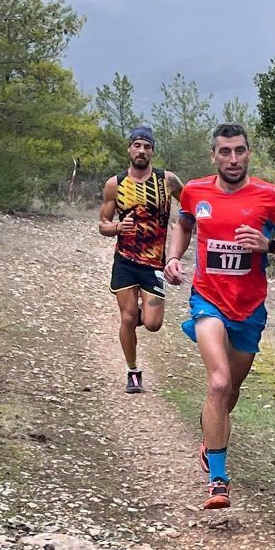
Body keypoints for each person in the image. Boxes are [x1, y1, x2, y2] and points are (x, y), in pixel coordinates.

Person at [164, 122, 275, 509]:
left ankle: (210, 439)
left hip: (249, 308)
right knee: (219, 382)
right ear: (213, 156)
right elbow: (184, 225)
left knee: (231, 391)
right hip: (208, 299)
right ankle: (218, 481)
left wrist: (269, 244)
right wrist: (173, 257)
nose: (233, 158)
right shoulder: (195, 191)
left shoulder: (269, 195)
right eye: (225, 152)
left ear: (248, 153)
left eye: (239, 150)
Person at [99, 126, 183, 393]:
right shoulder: (115, 184)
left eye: (147, 147)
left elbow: (190, 204)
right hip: (125, 261)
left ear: (153, 152)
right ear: (129, 149)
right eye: (137, 146)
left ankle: (138, 312)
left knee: (153, 323)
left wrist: (185, 226)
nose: (142, 151)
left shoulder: (167, 180)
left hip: (155, 264)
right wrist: (117, 228)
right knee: (127, 319)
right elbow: (103, 223)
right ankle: (133, 371)